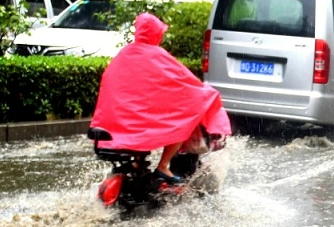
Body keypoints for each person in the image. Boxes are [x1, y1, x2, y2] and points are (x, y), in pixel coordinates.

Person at [91, 12, 231, 183]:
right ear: (156, 33)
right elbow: (186, 83)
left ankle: (137, 164)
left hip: (114, 127)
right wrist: (206, 92)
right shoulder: (157, 55)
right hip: (140, 126)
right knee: (181, 121)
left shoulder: (123, 55)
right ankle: (163, 166)